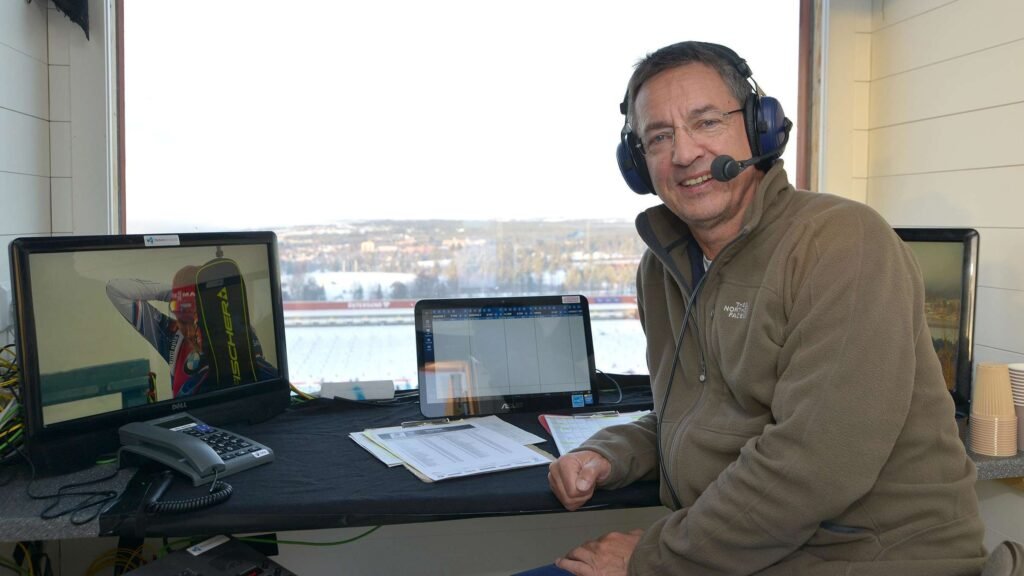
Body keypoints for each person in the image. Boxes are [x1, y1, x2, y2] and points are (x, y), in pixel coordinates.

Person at [539, 41, 986, 575]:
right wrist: (610, 452)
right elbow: (698, 414)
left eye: (706, 122)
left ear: (759, 127)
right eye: (659, 137)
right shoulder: (662, 271)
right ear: (638, 163)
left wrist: (653, 558)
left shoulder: (841, 242)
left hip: (865, 559)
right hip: (746, 556)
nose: (684, 154)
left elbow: (816, 461)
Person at [107, 260, 275, 398]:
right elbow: (116, 289)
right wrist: (176, 294)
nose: (190, 331)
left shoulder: (238, 333)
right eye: (182, 319)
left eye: (194, 318)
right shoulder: (172, 336)